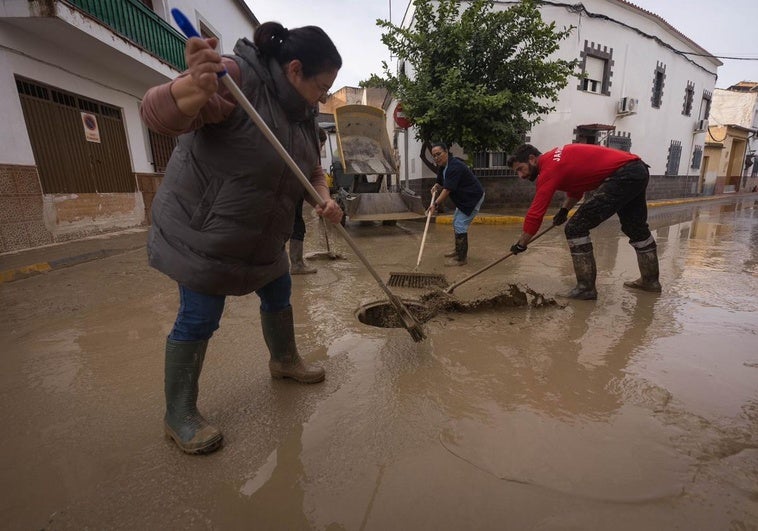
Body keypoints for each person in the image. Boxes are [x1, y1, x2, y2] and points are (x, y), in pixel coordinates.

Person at [140, 22, 343, 454]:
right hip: (205, 232)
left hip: (261, 235)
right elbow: (156, 113)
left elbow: (311, 170)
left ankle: (284, 361)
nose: (324, 97)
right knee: (199, 317)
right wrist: (193, 88)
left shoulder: (304, 115)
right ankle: (179, 415)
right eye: (322, 87)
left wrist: (323, 199)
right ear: (294, 70)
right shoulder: (238, 78)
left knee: (279, 291)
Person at [507, 143, 661, 300]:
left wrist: (522, 243)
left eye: (520, 169)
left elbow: (535, 214)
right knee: (635, 227)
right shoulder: (554, 160)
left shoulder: (548, 168)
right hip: (637, 170)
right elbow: (576, 188)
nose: (521, 175)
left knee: (575, 228)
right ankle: (650, 281)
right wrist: (564, 210)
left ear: (532, 159)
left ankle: (585, 288)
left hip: (624, 175)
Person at [427, 142, 485, 266]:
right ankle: (458, 250)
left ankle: (461, 259)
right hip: (464, 198)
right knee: (456, 222)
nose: (436, 158)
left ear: (446, 152)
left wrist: (435, 204)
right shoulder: (443, 166)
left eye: (439, 154)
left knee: (460, 224)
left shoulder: (454, 166)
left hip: (472, 197)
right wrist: (436, 186)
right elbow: (441, 183)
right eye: (434, 156)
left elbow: (447, 189)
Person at [289, 127, 327, 274]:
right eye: (321, 145)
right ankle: (297, 265)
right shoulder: (300, 153)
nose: (321, 148)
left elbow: (314, 181)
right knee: (296, 227)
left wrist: (321, 204)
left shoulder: (304, 152)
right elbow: (306, 186)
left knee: (294, 226)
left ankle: (295, 264)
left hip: (293, 194)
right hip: (288, 194)